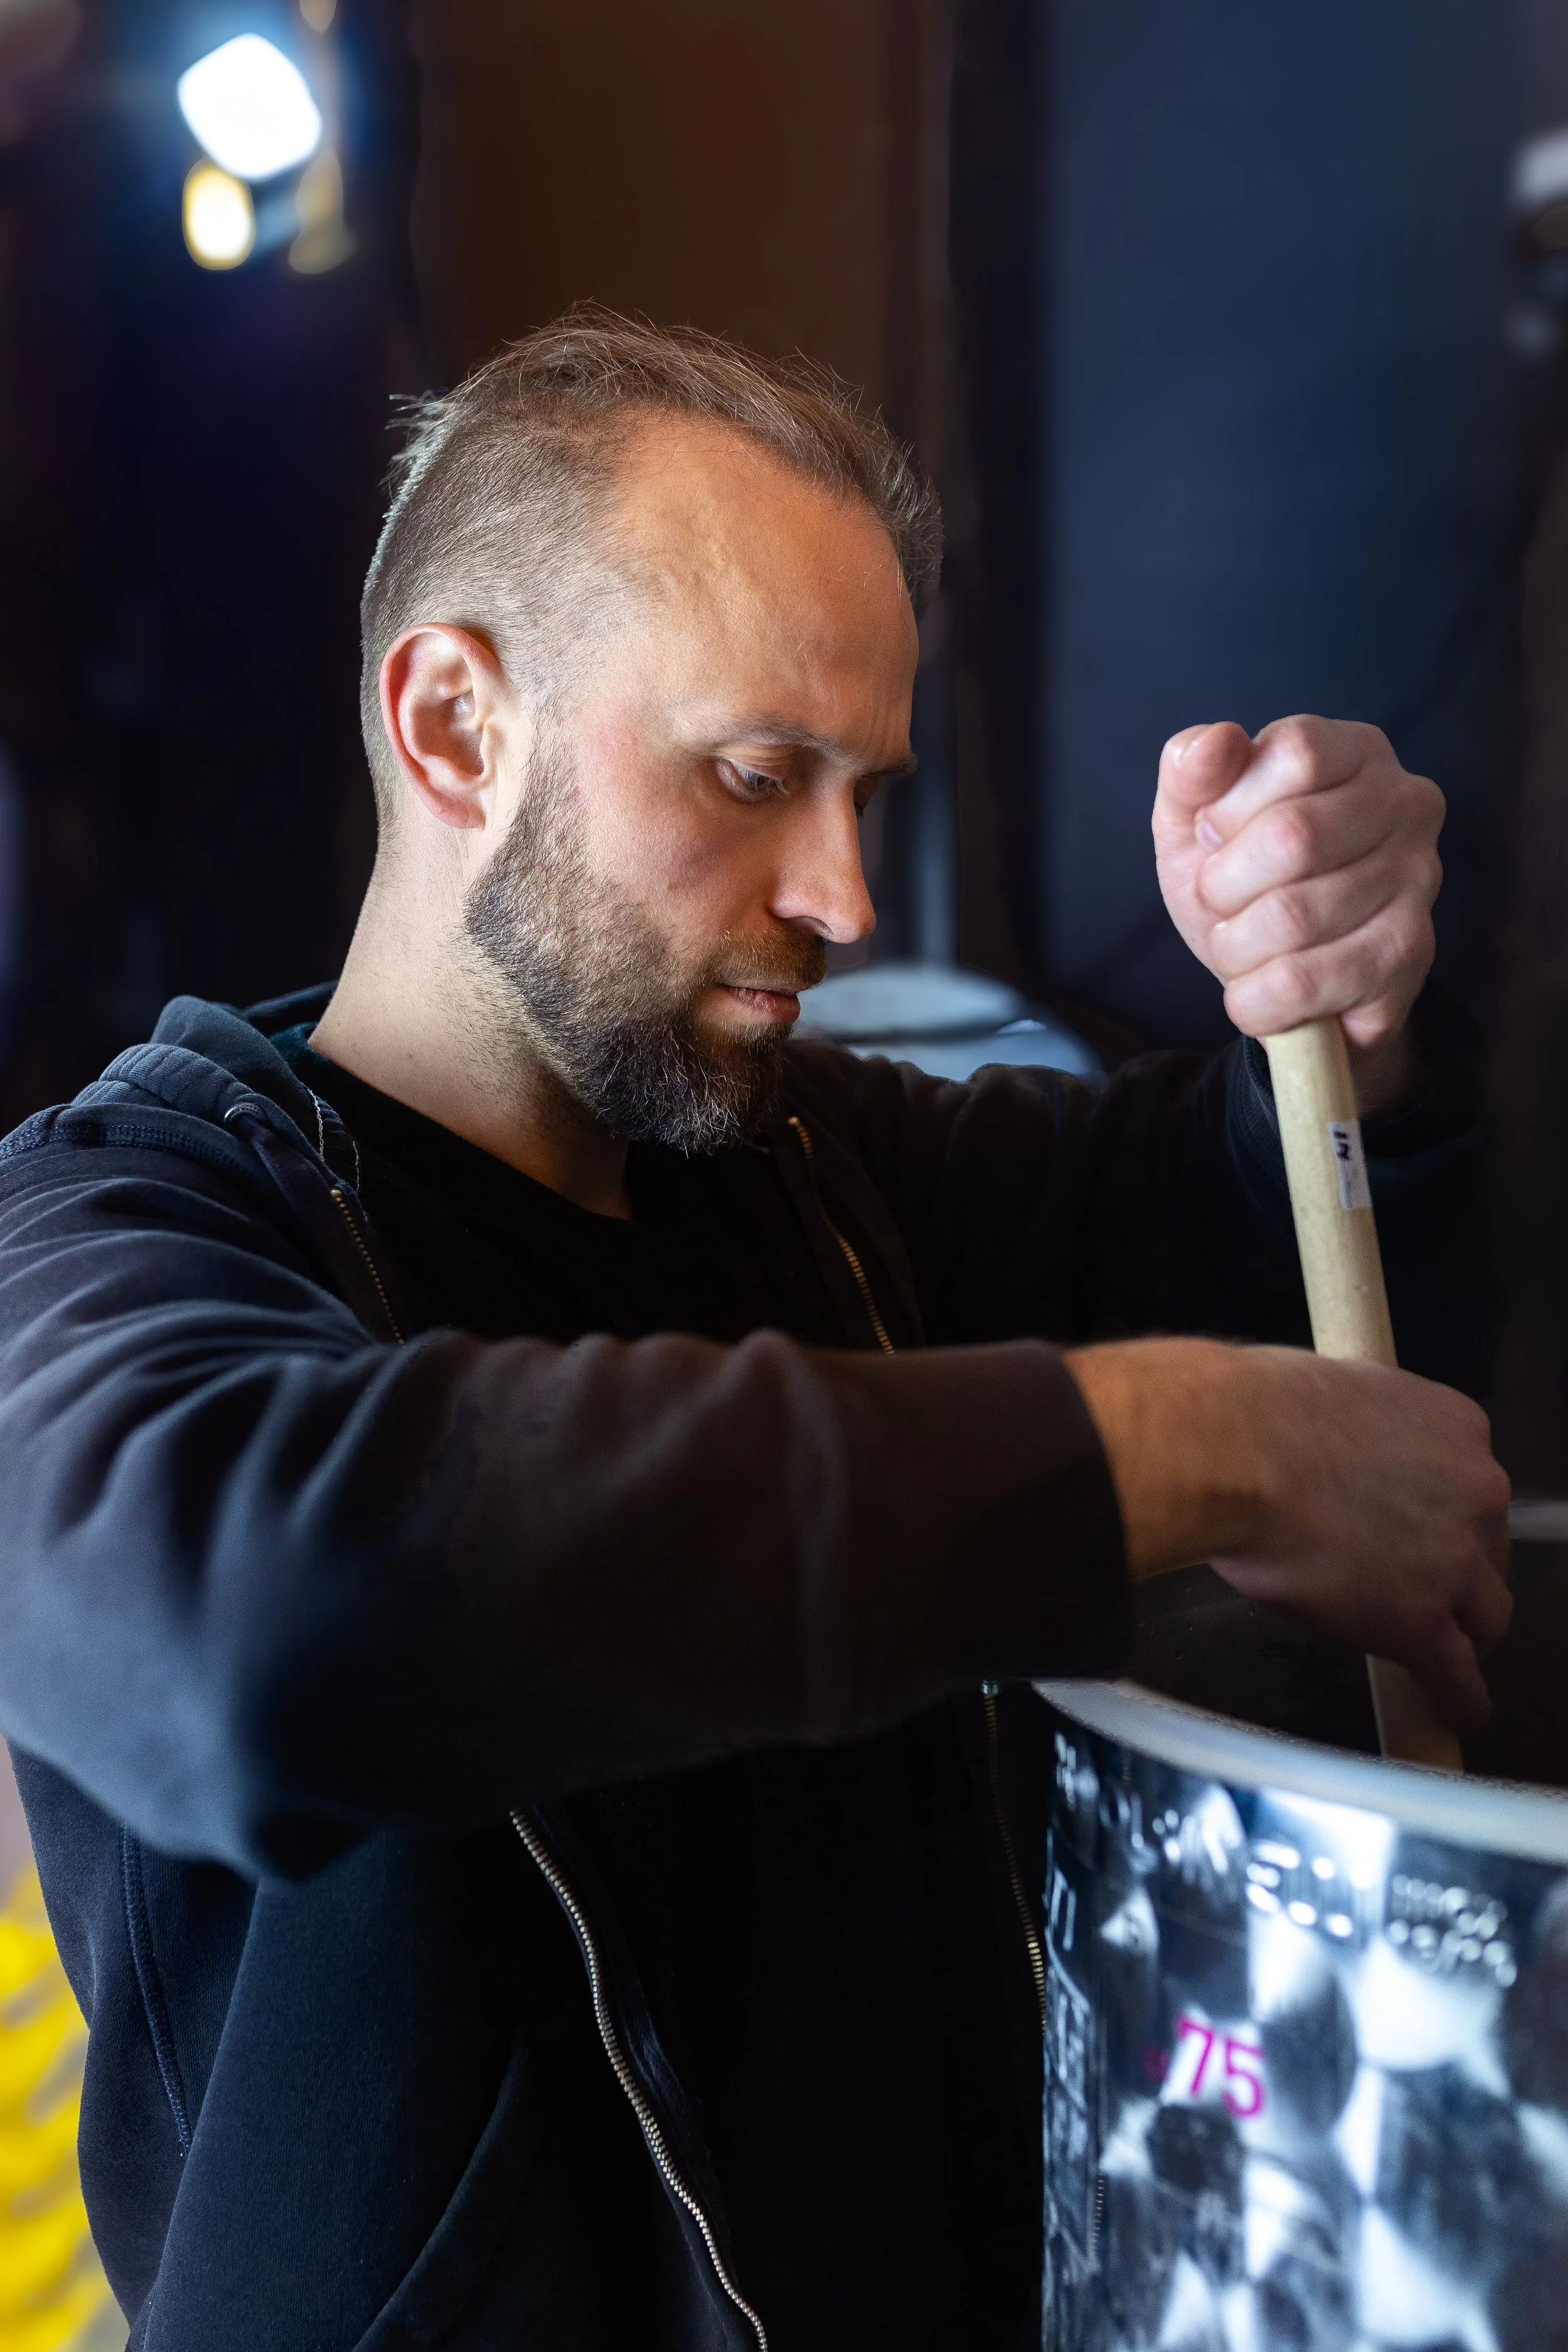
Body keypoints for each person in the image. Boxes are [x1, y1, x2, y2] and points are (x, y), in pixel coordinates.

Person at [0, 313, 1508, 2352]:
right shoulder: (112, 1226)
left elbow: (1199, 1204)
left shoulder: (790, 1159)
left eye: (865, 789)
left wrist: (1335, 997)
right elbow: (279, 1616)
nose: (846, 893)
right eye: (754, 773)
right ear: (455, 725)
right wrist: (1176, 1447)